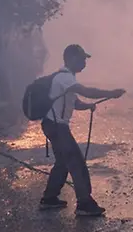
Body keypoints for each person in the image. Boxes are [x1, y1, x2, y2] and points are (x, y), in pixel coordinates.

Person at [40, 44, 125, 217]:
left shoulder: (66, 78)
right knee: (76, 162)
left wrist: (87, 106)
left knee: (63, 162)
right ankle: (84, 203)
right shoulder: (65, 78)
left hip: (52, 124)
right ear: (71, 58)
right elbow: (86, 91)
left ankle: (49, 199)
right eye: (82, 59)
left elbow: (75, 101)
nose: (84, 62)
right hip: (57, 126)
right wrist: (111, 93)